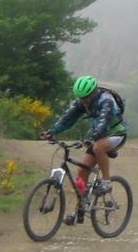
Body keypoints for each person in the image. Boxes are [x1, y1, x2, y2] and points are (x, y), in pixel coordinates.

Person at [40, 75, 128, 224]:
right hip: (97, 136)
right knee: (81, 173)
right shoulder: (81, 102)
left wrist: (93, 137)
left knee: (98, 147)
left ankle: (106, 182)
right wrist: (52, 131)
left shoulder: (106, 100)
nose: (83, 101)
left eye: (86, 97)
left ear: (94, 93)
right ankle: (79, 211)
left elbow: (104, 121)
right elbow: (67, 119)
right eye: (80, 97)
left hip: (116, 134)